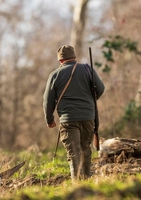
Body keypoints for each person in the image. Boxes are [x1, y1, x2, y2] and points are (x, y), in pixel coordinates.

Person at [43, 45, 105, 181]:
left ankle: (77, 185)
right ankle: (87, 181)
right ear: (74, 57)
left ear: (60, 60)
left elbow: (48, 100)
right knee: (85, 149)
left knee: (74, 154)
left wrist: (49, 119)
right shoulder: (88, 69)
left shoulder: (54, 75)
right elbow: (100, 88)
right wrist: (89, 103)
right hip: (88, 117)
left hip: (68, 119)